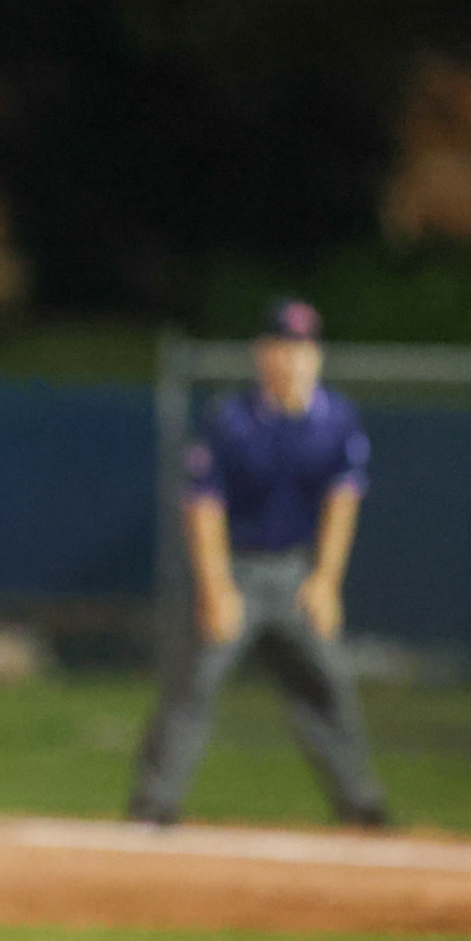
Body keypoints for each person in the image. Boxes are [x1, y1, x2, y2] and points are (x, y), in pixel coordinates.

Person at [130, 300, 389, 828]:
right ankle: (153, 804)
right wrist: (215, 586)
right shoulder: (231, 419)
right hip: (237, 572)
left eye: (302, 349)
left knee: (329, 686)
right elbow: (203, 505)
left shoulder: (335, 419)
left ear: (317, 356)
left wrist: (326, 581)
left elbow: (343, 503)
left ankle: (361, 806)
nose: (292, 360)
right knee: (194, 685)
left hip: (297, 574)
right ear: (261, 354)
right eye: (282, 347)